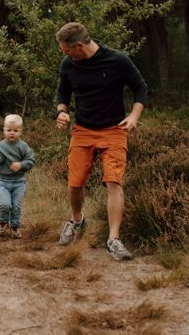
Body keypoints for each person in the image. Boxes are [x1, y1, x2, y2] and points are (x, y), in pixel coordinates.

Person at [53, 22, 147, 261]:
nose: (65, 55)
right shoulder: (68, 64)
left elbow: (140, 88)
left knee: (113, 182)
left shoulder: (118, 60)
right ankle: (77, 221)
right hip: (83, 130)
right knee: (75, 183)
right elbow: (63, 92)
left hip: (114, 130)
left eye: (67, 50)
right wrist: (61, 111)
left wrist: (134, 116)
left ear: (80, 45)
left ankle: (113, 239)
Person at [0, 114, 36, 238]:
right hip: (4, 182)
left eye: (15, 131)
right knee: (5, 204)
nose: (12, 133)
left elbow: (31, 161)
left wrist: (21, 165)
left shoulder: (24, 147)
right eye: (9, 130)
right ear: (4, 130)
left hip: (19, 182)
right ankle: (3, 224)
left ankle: (15, 228)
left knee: (16, 206)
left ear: (21, 131)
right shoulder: (0, 146)